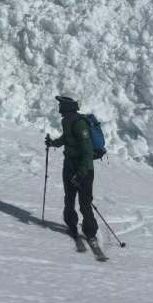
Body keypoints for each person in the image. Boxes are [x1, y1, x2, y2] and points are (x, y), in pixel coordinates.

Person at [45, 95, 98, 240]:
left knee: (84, 203)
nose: (59, 108)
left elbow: (87, 151)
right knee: (69, 198)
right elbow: (66, 138)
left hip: (84, 170)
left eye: (61, 105)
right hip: (69, 166)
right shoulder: (67, 120)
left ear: (67, 107)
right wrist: (53, 143)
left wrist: (81, 173)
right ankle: (71, 224)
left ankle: (90, 232)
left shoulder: (79, 123)